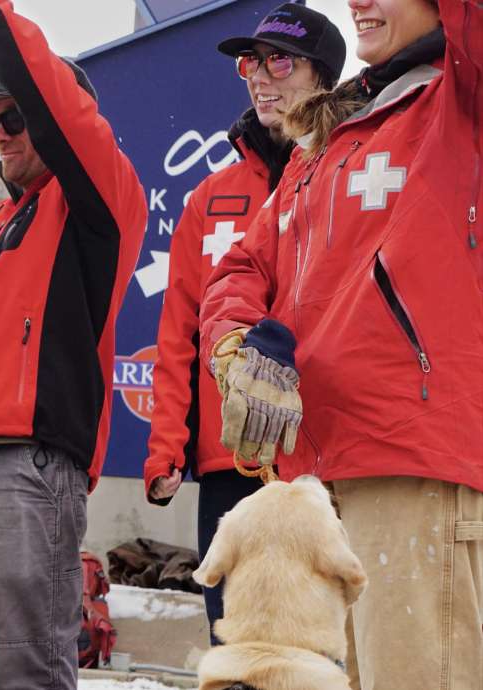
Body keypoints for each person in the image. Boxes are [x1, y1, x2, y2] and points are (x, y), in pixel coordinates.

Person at [201, 0, 481, 687]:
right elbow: (241, 268)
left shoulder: (459, 98)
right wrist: (236, 346)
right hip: (314, 477)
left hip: (408, 458)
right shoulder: (323, 141)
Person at [0, 0, 146, 685]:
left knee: (30, 674)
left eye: (14, 117)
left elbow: (65, 115)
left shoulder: (97, 202)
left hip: (28, 468)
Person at [142, 2, 345, 644]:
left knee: (318, 653)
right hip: (232, 456)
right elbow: (179, 329)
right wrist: (166, 445)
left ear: (323, 76)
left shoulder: (351, 175)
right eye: (250, 64)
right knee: (235, 648)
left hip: (330, 459)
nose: (260, 77)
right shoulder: (211, 196)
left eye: (279, 62)